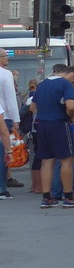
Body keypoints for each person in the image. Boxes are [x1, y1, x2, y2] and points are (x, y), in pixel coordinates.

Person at [31, 64, 74, 208]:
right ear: (71, 75)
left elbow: (32, 107)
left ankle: (47, 197)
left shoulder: (42, 84)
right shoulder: (66, 84)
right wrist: (70, 116)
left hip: (43, 126)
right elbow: (71, 106)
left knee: (47, 161)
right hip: (59, 124)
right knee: (67, 159)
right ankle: (68, 196)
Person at [0, 48, 22, 189]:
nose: (7, 58)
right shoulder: (6, 74)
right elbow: (10, 99)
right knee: (4, 153)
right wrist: (16, 120)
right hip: (5, 117)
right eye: (5, 55)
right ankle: (2, 188)